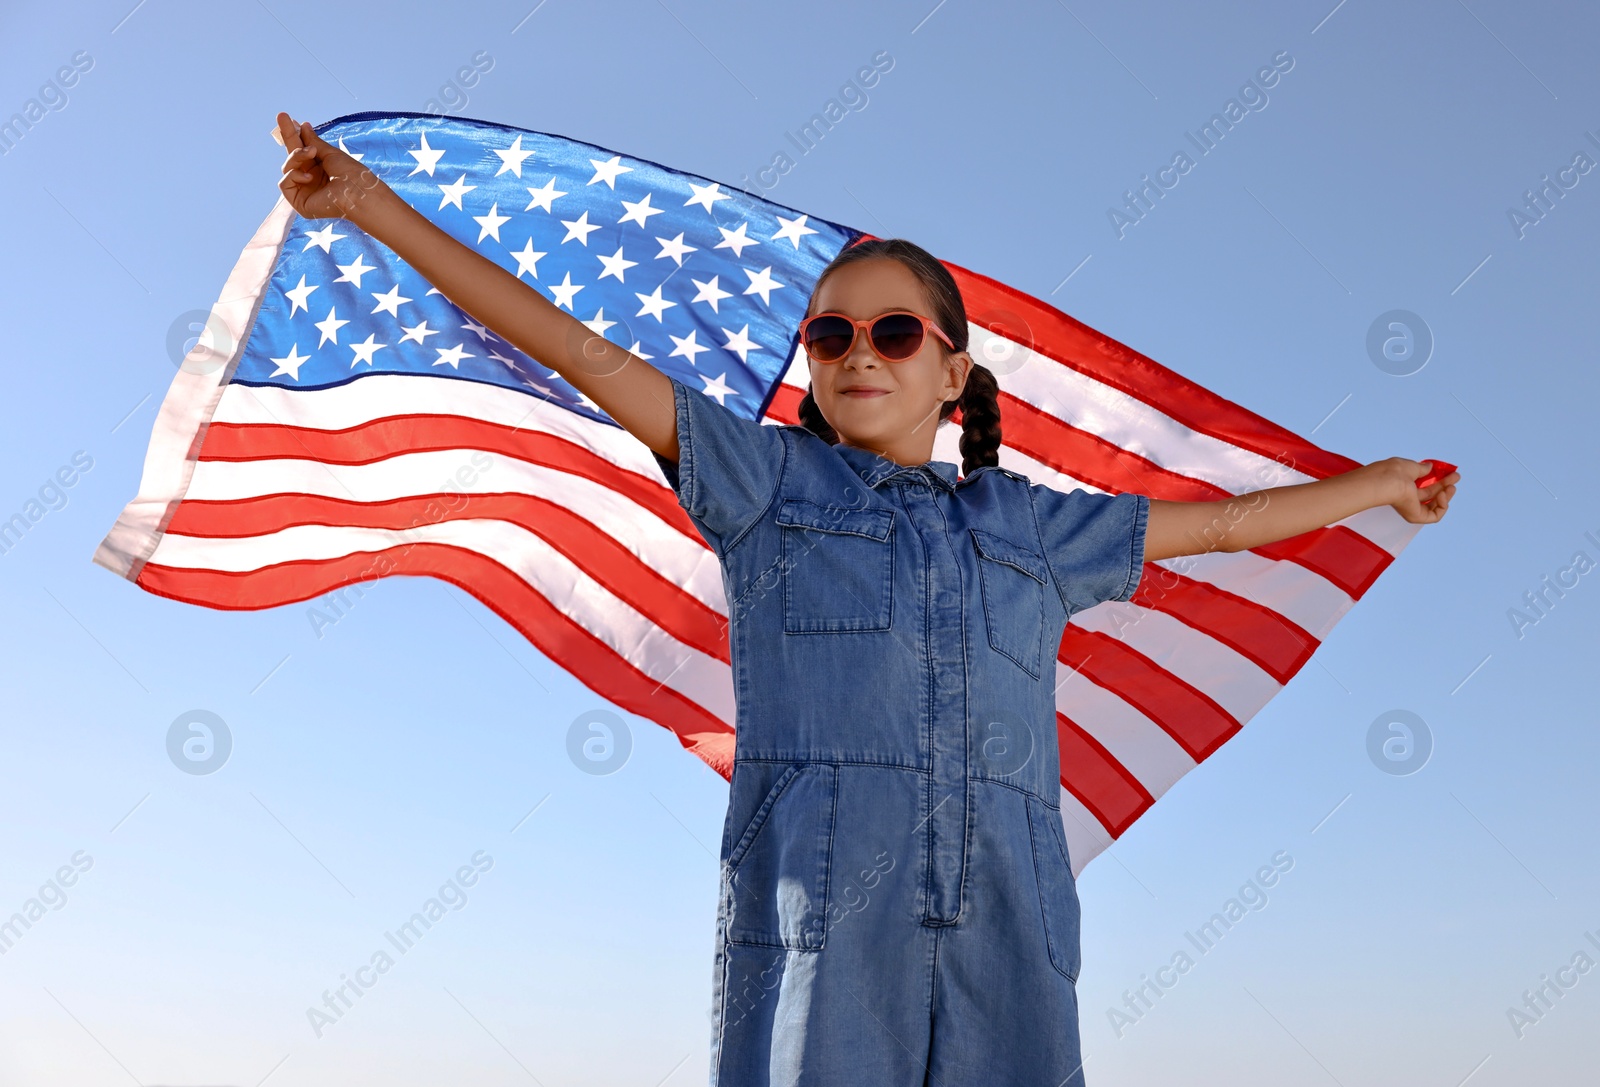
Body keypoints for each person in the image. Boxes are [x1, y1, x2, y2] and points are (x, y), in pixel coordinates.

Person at [273, 112, 1460, 1086]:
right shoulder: (763, 486)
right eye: (832, 332)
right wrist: (375, 210)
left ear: (953, 370)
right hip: (821, 921)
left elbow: (1230, 525)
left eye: (895, 331)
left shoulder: (1033, 527)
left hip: (1012, 915)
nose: (859, 351)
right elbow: (583, 355)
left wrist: (1375, 487)